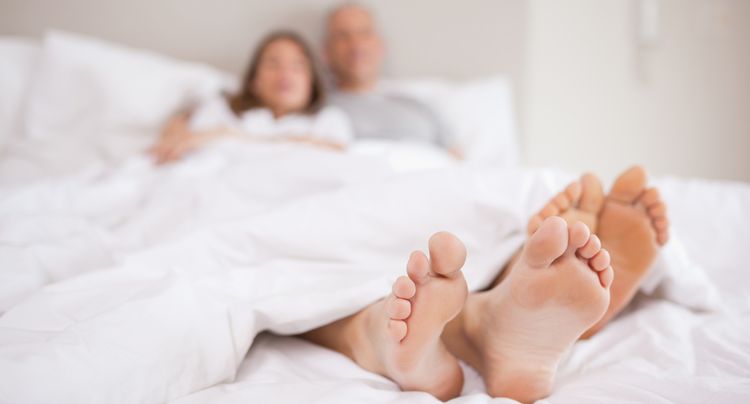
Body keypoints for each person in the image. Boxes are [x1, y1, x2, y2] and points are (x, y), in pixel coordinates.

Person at [300, 166, 670, 402]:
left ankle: (498, 298)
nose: (284, 71)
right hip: (343, 166)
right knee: (319, 287)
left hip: (414, 161)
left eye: (295, 64)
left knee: (312, 282)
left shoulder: (421, 115)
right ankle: (490, 313)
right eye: (272, 64)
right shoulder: (249, 126)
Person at [148, 31, 352, 164]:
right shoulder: (221, 110)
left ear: (312, 81)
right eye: (273, 64)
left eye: (297, 66)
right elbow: (184, 145)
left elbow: (338, 159)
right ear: (255, 79)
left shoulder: (329, 120)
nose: (285, 75)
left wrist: (229, 136)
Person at [323, 3, 463, 157]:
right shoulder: (318, 108)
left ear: (381, 45)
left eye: (365, 33)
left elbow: (457, 160)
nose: (356, 45)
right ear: (326, 52)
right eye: (342, 36)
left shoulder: (418, 106)